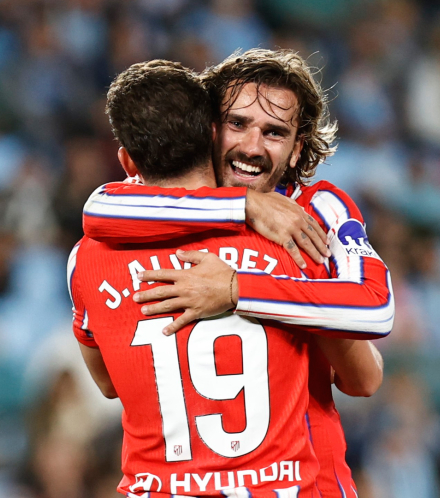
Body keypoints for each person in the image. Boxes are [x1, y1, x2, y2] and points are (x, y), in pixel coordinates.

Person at [81, 50, 392, 497]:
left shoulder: (313, 215)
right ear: (208, 128)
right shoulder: (139, 213)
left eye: (274, 132)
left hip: (312, 480)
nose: (251, 146)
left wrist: (234, 288)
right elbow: (97, 207)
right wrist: (243, 206)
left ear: (297, 148)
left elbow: (374, 327)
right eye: (238, 124)